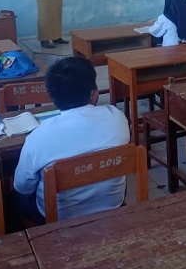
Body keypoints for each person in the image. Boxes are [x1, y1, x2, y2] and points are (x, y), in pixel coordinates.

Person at [13, 56, 130, 223]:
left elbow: (23, 187)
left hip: (58, 217)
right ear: (94, 92)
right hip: (112, 205)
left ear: (52, 98)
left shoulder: (38, 137)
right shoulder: (117, 118)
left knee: (15, 196)